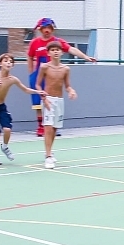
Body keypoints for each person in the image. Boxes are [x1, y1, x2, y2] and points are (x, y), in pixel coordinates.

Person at [25, 18, 94, 138]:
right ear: (40, 29)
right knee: (38, 100)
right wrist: (31, 73)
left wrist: (85, 57)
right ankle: (41, 126)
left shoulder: (57, 42)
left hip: (53, 74)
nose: (47, 30)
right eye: (44, 28)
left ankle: (53, 126)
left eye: (49, 28)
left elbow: (71, 49)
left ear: (53, 29)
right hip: (38, 74)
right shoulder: (35, 42)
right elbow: (30, 57)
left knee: (53, 99)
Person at [0, 53, 37, 164]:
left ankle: (5, 147)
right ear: (0, 63)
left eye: (11, 62)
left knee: (7, 129)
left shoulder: (12, 79)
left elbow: (25, 89)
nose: (8, 63)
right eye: (6, 61)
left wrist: (38, 92)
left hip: (1, 107)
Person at [36, 41, 76, 169]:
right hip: (48, 100)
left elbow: (67, 86)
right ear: (48, 53)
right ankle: (48, 156)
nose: (55, 52)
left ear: (62, 52)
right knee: (47, 127)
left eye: (57, 50)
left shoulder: (66, 69)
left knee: (54, 129)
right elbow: (37, 85)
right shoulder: (44, 67)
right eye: (52, 50)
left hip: (59, 101)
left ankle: (49, 152)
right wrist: (44, 97)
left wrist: (71, 91)